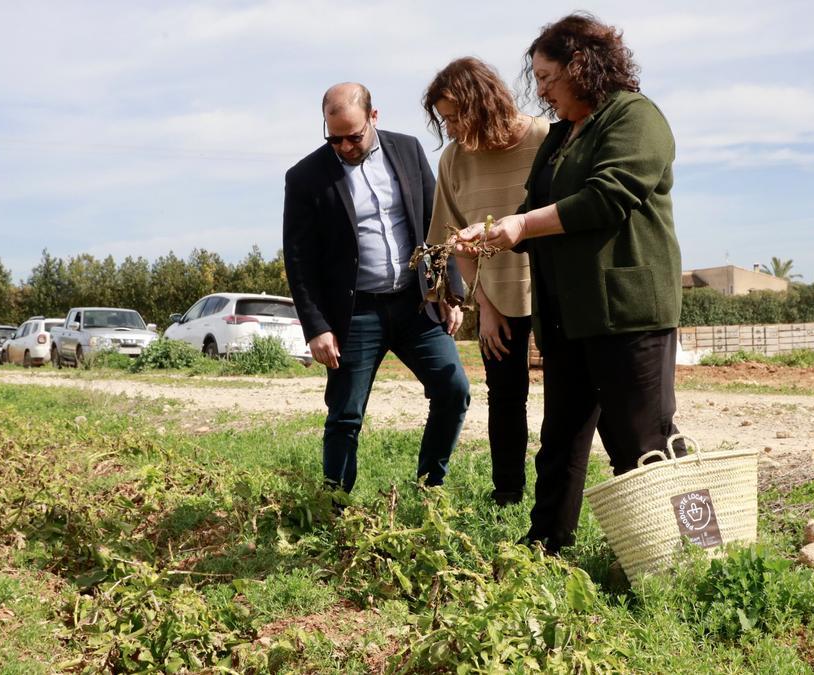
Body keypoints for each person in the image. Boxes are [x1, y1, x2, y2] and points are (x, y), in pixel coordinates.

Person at [455, 13, 685, 552]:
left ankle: (669, 558)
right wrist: (493, 234)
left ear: (582, 67)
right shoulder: (560, 136)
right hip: (567, 316)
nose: (539, 91)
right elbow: (532, 211)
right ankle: (546, 546)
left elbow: (606, 198)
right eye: (535, 78)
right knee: (560, 441)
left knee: (641, 442)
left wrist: (521, 226)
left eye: (547, 77)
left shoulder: (635, 118)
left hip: (627, 315)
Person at [283, 83, 471, 495]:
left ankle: (429, 487)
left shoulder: (407, 150)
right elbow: (299, 261)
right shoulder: (305, 177)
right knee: (345, 414)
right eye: (335, 139)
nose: (346, 146)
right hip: (355, 314)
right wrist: (316, 327)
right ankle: (334, 502)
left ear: (374, 117)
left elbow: (435, 224)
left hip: (415, 304)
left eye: (354, 136)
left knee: (453, 389)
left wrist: (450, 292)